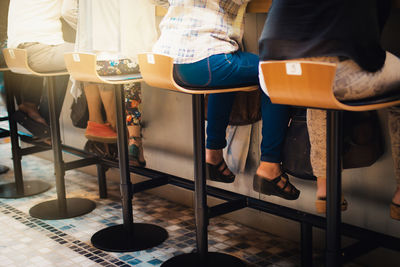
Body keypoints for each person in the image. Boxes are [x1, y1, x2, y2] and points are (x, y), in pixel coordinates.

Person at [258, 0, 400, 219]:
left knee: (319, 86)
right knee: (324, 71)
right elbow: (371, 41)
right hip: (323, 70)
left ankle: (326, 188)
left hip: (270, 73)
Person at [151, 0, 300, 200]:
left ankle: (213, 154)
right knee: (276, 72)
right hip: (199, 61)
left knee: (226, 60)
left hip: (165, 61)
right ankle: (270, 165)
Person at [73, 0, 157, 166]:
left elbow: (69, 11)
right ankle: (132, 139)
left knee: (124, 67)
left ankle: (107, 129)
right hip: (119, 63)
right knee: (132, 70)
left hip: (90, 62)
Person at [7, 0, 77, 139]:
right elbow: (69, 11)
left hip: (15, 53)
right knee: (91, 52)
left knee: (63, 63)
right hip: (37, 52)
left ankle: (30, 105)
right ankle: (45, 125)